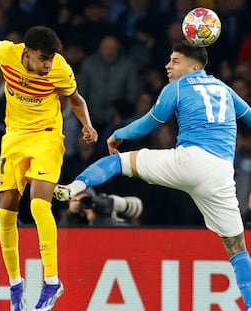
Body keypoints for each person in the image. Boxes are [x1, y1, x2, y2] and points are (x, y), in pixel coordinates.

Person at [54, 41, 251, 310]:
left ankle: (75, 186)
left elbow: (148, 123)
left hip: (188, 161)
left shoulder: (178, 87)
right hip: (220, 173)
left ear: (193, 66)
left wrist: (118, 134)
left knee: (118, 162)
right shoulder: (225, 89)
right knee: (237, 247)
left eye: (175, 61)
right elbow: (249, 117)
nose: (168, 66)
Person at [0, 25, 98, 311]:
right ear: (28, 52)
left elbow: (75, 98)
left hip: (46, 136)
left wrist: (87, 124)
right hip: (14, 138)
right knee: (5, 207)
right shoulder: (8, 52)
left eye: (51, 58)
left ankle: (52, 281)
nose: (48, 64)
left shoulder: (60, 69)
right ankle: (15, 287)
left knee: (38, 205)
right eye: (43, 58)